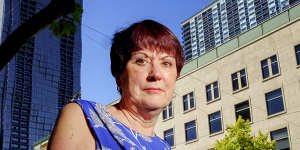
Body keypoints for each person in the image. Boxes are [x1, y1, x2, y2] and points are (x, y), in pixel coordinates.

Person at [48, 19, 184, 150]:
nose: (156, 74)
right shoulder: (84, 117)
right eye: (141, 61)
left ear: (175, 76)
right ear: (119, 74)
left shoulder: (164, 146)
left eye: (166, 63)